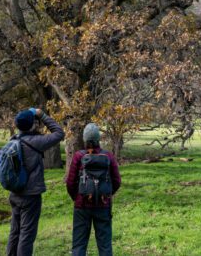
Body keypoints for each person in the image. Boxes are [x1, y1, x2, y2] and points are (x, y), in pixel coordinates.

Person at [7, 107, 65, 256]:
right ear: (33, 124)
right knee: (26, 235)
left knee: (15, 232)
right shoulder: (37, 141)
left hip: (14, 193)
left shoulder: (13, 141)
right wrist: (43, 115)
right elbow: (59, 133)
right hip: (30, 195)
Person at [65, 123, 121, 256]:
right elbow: (117, 181)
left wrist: (77, 197)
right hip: (103, 204)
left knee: (79, 244)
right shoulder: (108, 156)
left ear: (84, 139)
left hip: (82, 205)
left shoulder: (79, 156)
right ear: (98, 139)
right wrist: (106, 193)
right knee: (105, 245)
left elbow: (70, 182)